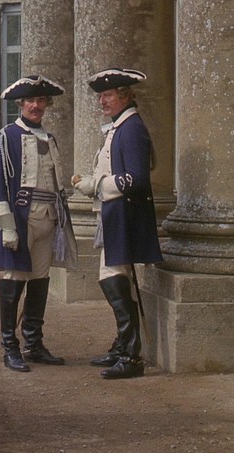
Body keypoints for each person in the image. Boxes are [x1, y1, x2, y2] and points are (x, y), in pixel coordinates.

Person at [71, 68, 163, 379]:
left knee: (112, 276)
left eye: (107, 95)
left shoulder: (132, 127)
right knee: (113, 277)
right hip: (115, 213)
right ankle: (124, 346)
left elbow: (136, 178)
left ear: (125, 95)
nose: (102, 101)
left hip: (126, 213)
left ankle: (131, 356)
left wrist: (96, 185)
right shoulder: (119, 127)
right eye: (100, 96)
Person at [0, 75, 78, 373]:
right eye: (30, 101)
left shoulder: (49, 139)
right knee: (14, 281)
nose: (35, 106)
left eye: (40, 101)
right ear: (21, 104)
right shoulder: (6, 137)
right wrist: (6, 225)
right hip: (21, 219)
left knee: (40, 280)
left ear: (46, 104)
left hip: (48, 217)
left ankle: (34, 344)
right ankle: (9, 347)